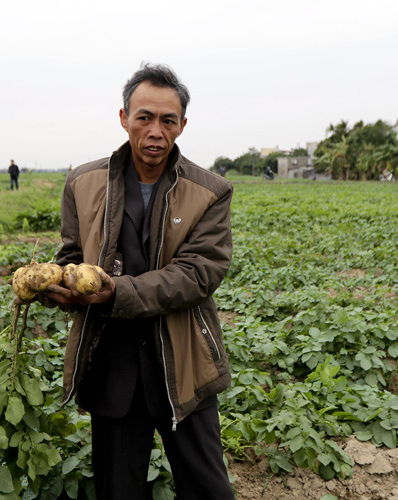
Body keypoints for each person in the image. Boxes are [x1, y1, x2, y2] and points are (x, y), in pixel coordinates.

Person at [38, 63, 234, 500]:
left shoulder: (210, 191)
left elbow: (199, 273)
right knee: (118, 491)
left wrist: (118, 291)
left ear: (182, 125)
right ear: (124, 117)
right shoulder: (83, 183)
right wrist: (59, 287)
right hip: (114, 367)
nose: (155, 131)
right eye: (144, 117)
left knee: (208, 489)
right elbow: (73, 254)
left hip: (184, 364)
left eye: (168, 120)